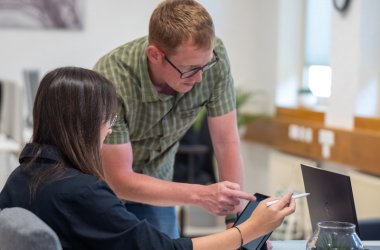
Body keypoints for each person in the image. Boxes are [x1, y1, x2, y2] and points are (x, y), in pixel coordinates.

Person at [0, 66, 295, 249]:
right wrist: (251, 229)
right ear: (85, 123)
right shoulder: (81, 192)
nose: (110, 128)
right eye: (108, 118)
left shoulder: (22, 176)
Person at [94, 0, 254, 238]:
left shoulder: (212, 59)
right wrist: (200, 194)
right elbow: (119, 179)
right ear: (155, 55)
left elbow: (225, 141)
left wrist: (237, 225)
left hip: (159, 183)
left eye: (205, 66)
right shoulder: (113, 79)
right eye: (189, 69)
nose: (200, 78)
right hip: (104, 190)